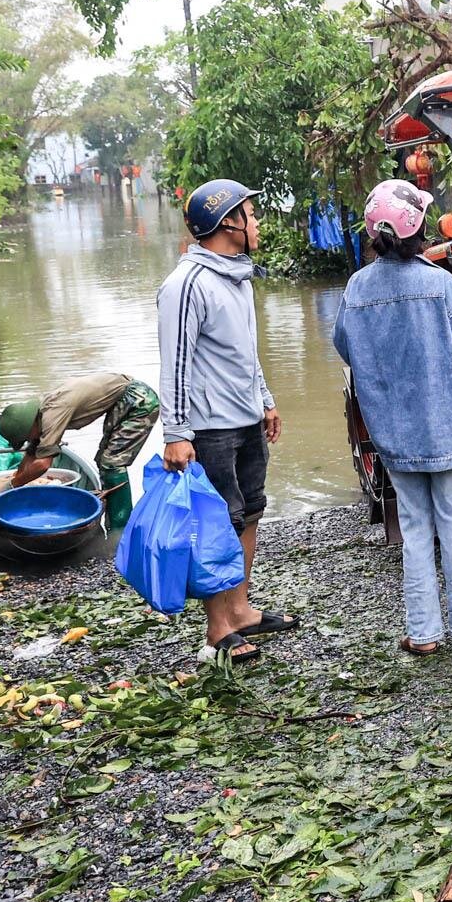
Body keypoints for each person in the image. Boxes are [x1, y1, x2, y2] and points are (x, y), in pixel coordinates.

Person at [333, 180, 452, 656]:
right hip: (450, 427)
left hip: (395, 435)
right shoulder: (441, 283)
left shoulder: (357, 288)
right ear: (419, 228)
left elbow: (345, 346)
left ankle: (423, 633)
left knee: (415, 531)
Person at [156, 179, 294, 666]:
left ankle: (241, 609)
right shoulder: (186, 284)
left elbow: (243, 352)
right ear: (226, 222)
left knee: (250, 511)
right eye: (250, 214)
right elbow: (174, 361)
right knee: (217, 523)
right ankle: (218, 629)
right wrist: (176, 433)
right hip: (209, 427)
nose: (256, 222)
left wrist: (265, 399)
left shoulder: (236, 276)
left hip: (245, 419)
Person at [0, 372, 161, 524]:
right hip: (122, 401)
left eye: (26, 437)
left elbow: (43, 464)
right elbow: (33, 449)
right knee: (103, 459)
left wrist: (13, 485)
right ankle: (112, 516)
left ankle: (120, 529)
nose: (28, 440)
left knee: (112, 463)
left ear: (29, 427)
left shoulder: (52, 414)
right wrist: (17, 476)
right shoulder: (40, 412)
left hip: (139, 401)